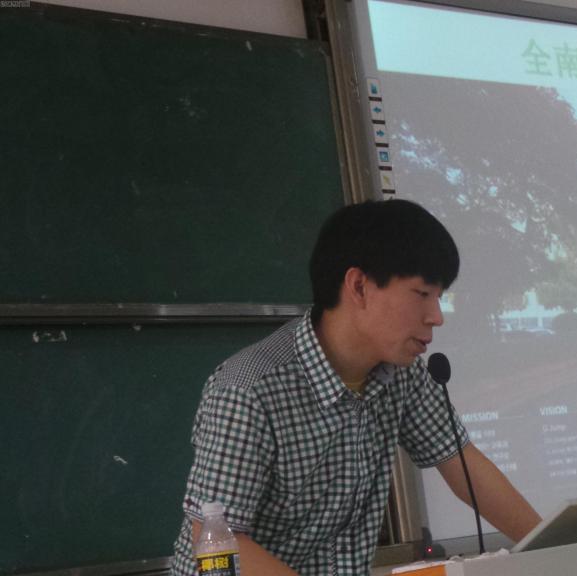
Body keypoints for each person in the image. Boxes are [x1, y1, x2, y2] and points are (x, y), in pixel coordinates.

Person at [171, 198, 541, 575]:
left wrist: (555, 548)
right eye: (422, 294)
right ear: (359, 286)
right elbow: (216, 538)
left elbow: (462, 464)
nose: (436, 317)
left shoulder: (402, 374)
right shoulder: (248, 391)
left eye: (439, 298)